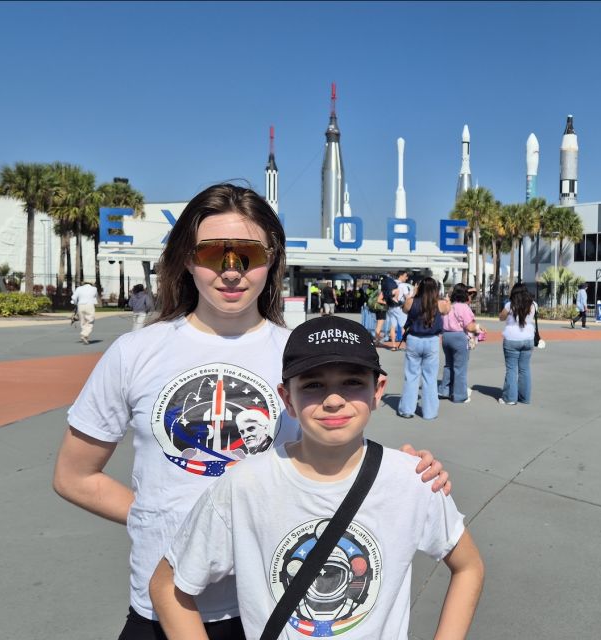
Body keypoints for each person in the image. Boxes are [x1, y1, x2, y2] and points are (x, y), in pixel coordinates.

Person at [52, 183, 451, 640]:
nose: (231, 272)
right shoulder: (134, 353)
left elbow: (339, 459)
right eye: (212, 254)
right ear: (186, 259)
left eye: (248, 255)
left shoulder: (301, 357)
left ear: (272, 261)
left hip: (273, 607)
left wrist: (410, 474)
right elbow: (74, 476)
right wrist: (161, 517)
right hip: (162, 608)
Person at [150, 316, 484, 640]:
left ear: (377, 390)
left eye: (352, 382)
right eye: (313, 385)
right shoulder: (244, 487)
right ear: (287, 399)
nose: (334, 400)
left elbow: (468, 567)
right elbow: (167, 585)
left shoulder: (413, 480)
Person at [397, 277, 451, 420]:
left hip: (414, 339)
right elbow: (447, 310)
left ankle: (407, 409)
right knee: (430, 378)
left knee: (411, 375)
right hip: (432, 341)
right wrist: (447, 300)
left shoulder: (411, 301)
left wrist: (413, 294)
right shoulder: (439, 304)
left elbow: (404, 309)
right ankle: (430, 412)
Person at [438, 283, 481, 403]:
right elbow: (469, 326)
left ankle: (444, 390)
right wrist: (478, 327)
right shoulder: (463, 307)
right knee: (460, 367)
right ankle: (459, 395)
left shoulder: (449, 306)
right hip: (459, 337)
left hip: (446, 337)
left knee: (449, 365)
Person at [499, 283, 537, 405]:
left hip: (511, 339)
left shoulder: (510, 305)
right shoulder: (534, 305)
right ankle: (525, 397)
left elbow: (501, 317)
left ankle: (510, 398)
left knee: (511, 369)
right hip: (528, 339)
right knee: (525, 369)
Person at [71, 279, 99, 344]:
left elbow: (74, 298)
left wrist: (75, 303)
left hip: (80, 305)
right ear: (91, 283)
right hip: (90, 305)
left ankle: (85, 336)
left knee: (83, 322)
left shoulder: (79, 288)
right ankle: (84, 335)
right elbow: (95, 297)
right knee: (90, 321)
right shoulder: (94, 289)